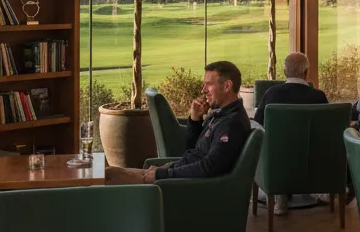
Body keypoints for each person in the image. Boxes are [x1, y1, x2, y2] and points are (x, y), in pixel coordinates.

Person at [104, 60, 251, 184]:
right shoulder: (220, 114)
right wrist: (195, 120)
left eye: (209, 84)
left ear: (227, 86)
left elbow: (210, 166)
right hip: (177, 171)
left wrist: (163, 174)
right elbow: (193, 149)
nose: (203, 90)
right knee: (109, 172)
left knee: (109, 176)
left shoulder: (231, 123)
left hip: (178, 184)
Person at [254, 52, 328, 125]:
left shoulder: (271, 94)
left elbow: (257, 124)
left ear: (285, 72)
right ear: (306, 72)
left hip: (277, 137)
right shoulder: (319, 97)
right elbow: (329, 124)